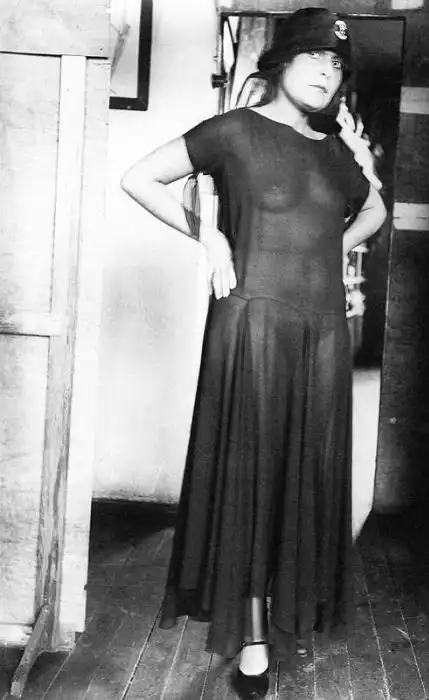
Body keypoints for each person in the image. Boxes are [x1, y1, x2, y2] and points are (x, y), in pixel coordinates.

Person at [121, 8, 387, 698]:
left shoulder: (335, 150)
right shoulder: (234, 131)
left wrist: (333, 245)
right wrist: (208, 236)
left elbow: (374, 212)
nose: (328, 72)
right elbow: (140, 177)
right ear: (280, 63)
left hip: (322, 331)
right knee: (253, 479)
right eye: (315, 58)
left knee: (304, 476)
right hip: (252, 326)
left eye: (337, 65)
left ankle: (282, 614)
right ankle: (254, 636)